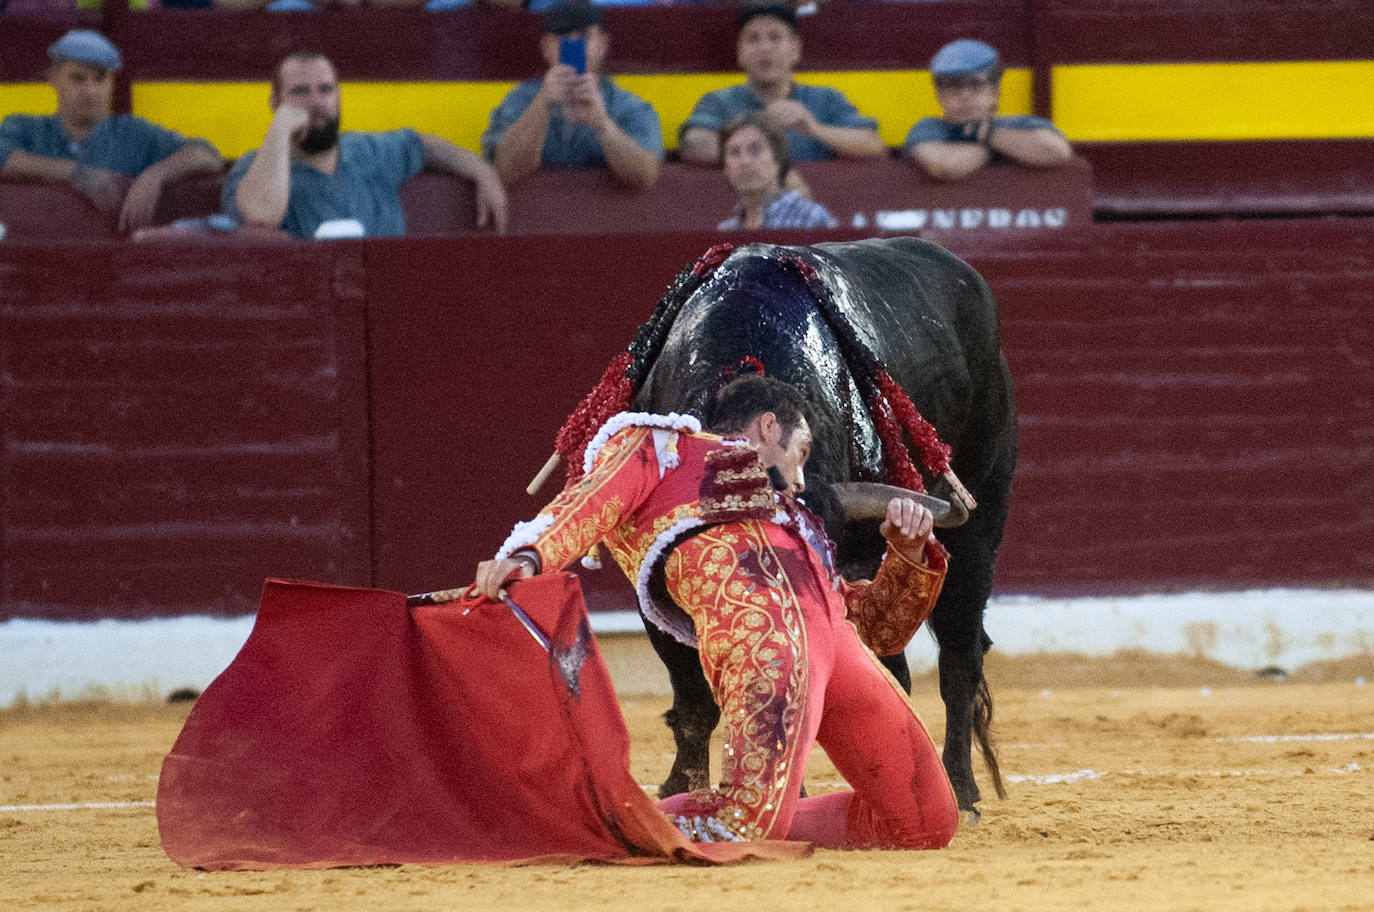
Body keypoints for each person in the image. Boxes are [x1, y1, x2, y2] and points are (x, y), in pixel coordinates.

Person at [473, 374, 959, 849]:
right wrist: (528, 555)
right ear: (770, 427)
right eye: (802, 453)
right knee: (742, 824)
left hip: (841, 653)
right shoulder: (664, 448)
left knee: (925, 822)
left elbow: (877, 630)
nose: (803, 478)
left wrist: (908, 554)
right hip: (766, 640)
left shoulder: (799, 521)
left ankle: (768, 813)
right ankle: (582, 822)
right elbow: (592, 500)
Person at [224, 52, 508, 239]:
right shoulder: (252, 169)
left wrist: (483, 171)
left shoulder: (370, 151)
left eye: (325, 90)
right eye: (300, 92)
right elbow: (261, 214)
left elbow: (423, 145)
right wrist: (280, 128)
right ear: (275, 103)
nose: (315, 102)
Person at [0, 29, 223, 234]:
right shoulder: (26, 128)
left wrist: (155, 175)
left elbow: (208, 155)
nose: (90, 91)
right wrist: (77, 173)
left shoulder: (133, 132)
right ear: (53, 78)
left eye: (100, 79)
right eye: (78, 78)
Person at [481, 2, 663, 191]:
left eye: (584, 36)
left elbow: (645, 177)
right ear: (545, 47)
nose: (574, 45)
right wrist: (542, 103)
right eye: (562, 36)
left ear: (602, 45)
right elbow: (503, 172)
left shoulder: (628, 106)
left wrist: (602, 123)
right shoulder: (520, 100)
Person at [677, 3, 885, 168]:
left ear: (795, 49)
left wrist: (814, 128)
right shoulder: (719, 101)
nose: (764, 48)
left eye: (775, 37)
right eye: (753, 39)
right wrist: (756, 128)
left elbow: (873, 144)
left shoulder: (827, 99)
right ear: (740, 51)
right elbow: (693, 146)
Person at [906, 39, 1072, 181]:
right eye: (954, 86)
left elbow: (1057, 151)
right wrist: (996, 144)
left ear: (994, 93)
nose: (965, 95)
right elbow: (944, 165)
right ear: (940, 96)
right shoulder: (928, 128)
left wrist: (987, 134)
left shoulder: (1022, 123)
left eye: (976, 84)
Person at [717, 112, 836, 230]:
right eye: (735, 152)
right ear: (726, 168)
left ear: (778, 160)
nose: (745, 161)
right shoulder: (726, 230)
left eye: (755, 150)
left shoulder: (811, 218)